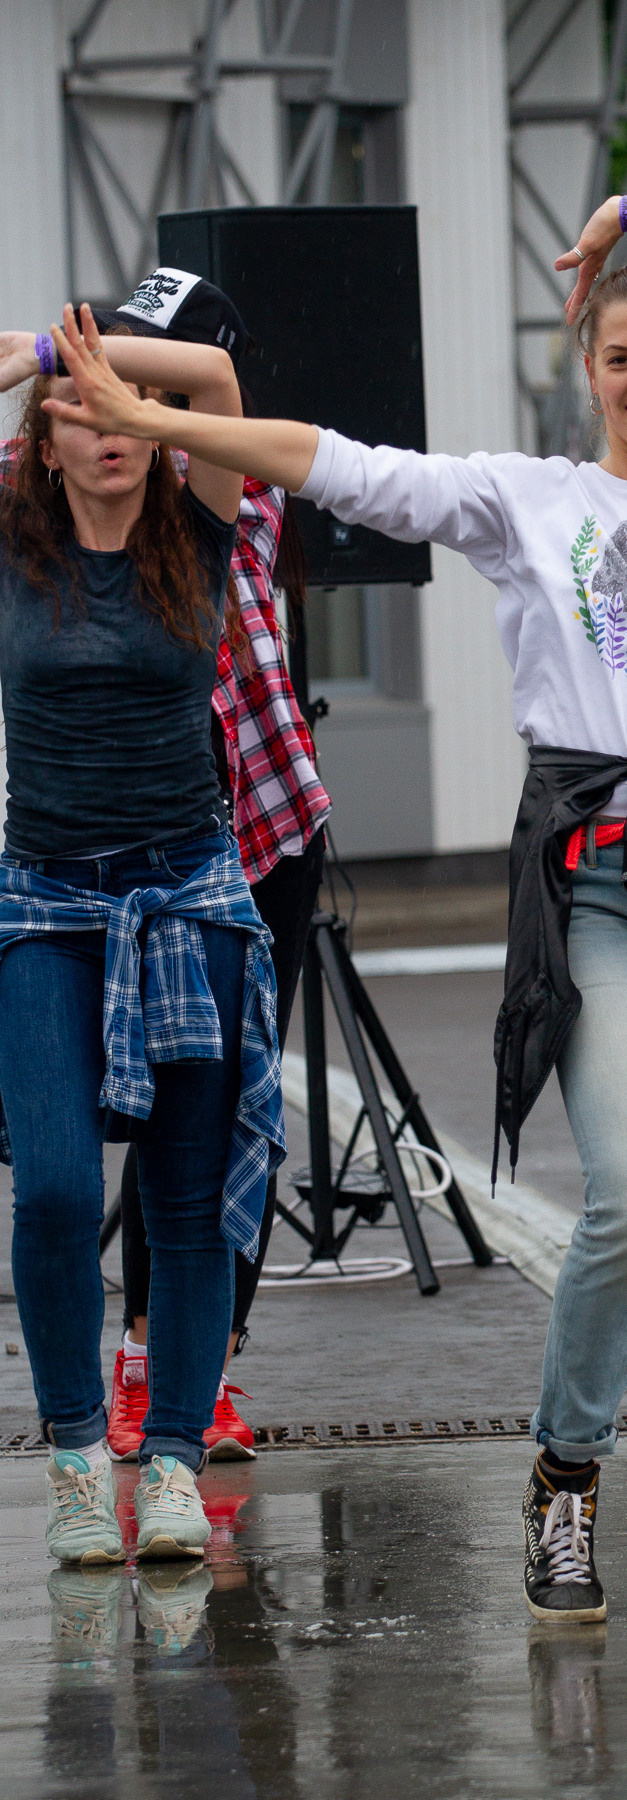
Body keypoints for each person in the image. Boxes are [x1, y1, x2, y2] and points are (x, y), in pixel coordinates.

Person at [48, 193, 627, 1620]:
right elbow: (324, 463)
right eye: (622, 361)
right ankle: (568, 1472)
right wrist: (159, 425)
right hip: (591, 878)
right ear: (583, 369)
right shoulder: (525, 496)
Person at [0, 269, 330, 1463]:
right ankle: (82, 1446)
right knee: (50, 1188)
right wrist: (54, 354)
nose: (112, 422)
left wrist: (115, 384)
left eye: (134, 399)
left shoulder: (203, 514)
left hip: (208, 865)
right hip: (49, 889)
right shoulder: (16, 539)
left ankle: (178, 1434)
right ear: (37, 440)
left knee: (187, 1199)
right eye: (81, 408)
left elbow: (220, 388)